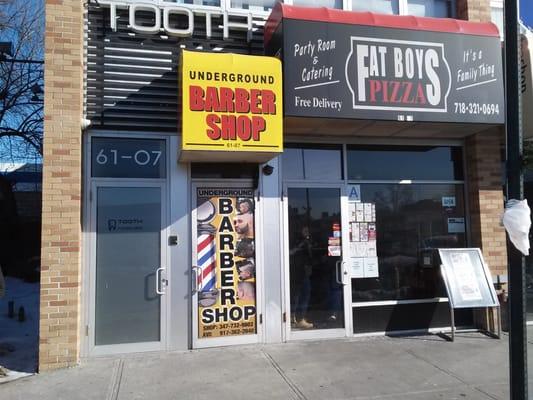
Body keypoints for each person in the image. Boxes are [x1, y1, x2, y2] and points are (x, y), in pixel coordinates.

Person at [289, 226, 314, 329]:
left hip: (304, 271)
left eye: (308, 231)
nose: (307, 233)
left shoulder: (307, 242)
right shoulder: (294, 241)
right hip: (296, 271)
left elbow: (310, 256)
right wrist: (300, 245)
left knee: (305, 293)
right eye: (305, 231)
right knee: (296, 295)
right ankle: (293, 318)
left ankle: (301, 318)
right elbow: (290, 253)